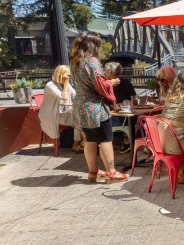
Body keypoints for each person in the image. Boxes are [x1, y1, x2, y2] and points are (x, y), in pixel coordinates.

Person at [70, 31, 128, 183]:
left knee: (90, 140)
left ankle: (92, 172)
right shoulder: (92, 62)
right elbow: (100, 85)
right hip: (94, 108)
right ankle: (112, 172)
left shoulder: (76, 62)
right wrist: (112, 83)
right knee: (106, 139)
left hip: (81, 107)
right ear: (92, 45)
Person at [38, 65, 83, 152]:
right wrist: (66, 84)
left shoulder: (66, 84)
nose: (69, 77)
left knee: (81, 118)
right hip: (51, 115)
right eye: (68, 75)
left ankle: (79, 143)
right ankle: (76, 144)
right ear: (60, 75)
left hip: (63, 113)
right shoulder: (50, 85)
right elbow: (64, 97)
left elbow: (75, 95)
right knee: (79, 119)